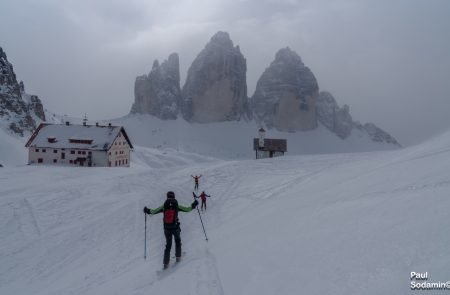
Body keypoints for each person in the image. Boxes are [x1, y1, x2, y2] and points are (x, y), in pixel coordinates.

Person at [143, 191, 198, 269]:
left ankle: (166, 264)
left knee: (168, 245)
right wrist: (194, 204)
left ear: (167, 196)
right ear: (174, 196)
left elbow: (154, 211)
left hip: (167, 229)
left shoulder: (164, 206)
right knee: (177, 241)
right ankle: (178, 258)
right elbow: (187, 209)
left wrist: (147, 210)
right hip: (175, 228)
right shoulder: (176, 205)